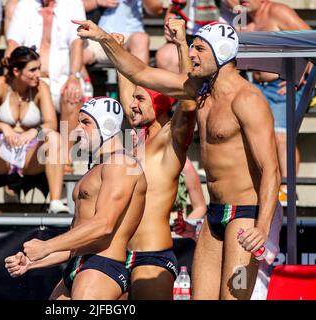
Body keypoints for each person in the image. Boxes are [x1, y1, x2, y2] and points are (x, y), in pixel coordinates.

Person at [73, 18, 281, 299]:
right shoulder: (200, 92)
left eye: (199, 49)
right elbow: (141, 73)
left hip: (245, 216)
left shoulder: (247, 99)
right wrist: (103, 38)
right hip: (215, 213)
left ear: (220, 51)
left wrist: (262, 227)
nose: (192, 55)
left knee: (235, 296)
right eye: (192, 49)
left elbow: (271, 168)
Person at [5, 97, 148, 300]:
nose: (77, 129)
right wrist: (32, 261)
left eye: (86, 122)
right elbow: (76, 239)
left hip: (101, 268)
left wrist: (46, 246)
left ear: (107, 126)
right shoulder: (98, 168)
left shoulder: (121, 164)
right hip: (79, 265)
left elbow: (104, 225)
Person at [109, 31, 196, 299]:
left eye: (140, 100)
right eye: (133, 99)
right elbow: (127, 91)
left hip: (151, 256)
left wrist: (182, 43)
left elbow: (189, 101)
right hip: (119, 256)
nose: (131, 106)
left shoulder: (169, 143)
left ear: (158, 106)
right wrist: (116, 49)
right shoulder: (136, 144)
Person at [225, 0, 313, 206]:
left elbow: (312, 40)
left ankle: (287, 190)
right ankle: (263, 187)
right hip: (256, 86)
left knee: (280, 136)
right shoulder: (243, 17)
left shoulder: (277, 11)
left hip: (284, 85)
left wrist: (303, 74)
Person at [0, 46, 70, 214]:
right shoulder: (1, 84)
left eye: (39, 68)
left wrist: (33, 132)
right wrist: (4, 127)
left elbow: (51, 123)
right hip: (3, 154)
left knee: (54, 137)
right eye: (33, 70)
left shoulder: (41, 87)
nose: (39, 73)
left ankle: (55, 202)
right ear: (16, 71)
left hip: (30, 156)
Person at [5, 0, 86, 171]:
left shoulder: (73, 4)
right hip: (31, 79)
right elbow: (13, 43)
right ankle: (15, 163)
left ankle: (65, 158)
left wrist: (74, 76)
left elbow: (76, 43)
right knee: (12, 92)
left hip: (60, 79)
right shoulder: (25, 5)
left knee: (73, 94)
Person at [82, 0, 163, 66]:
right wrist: (97, 2)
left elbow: (157, 10)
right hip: (99, 39)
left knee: (141, 39)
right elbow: (73, 7)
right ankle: (84, 84)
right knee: (76, 56)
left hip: (129, 39)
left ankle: (141, 85)